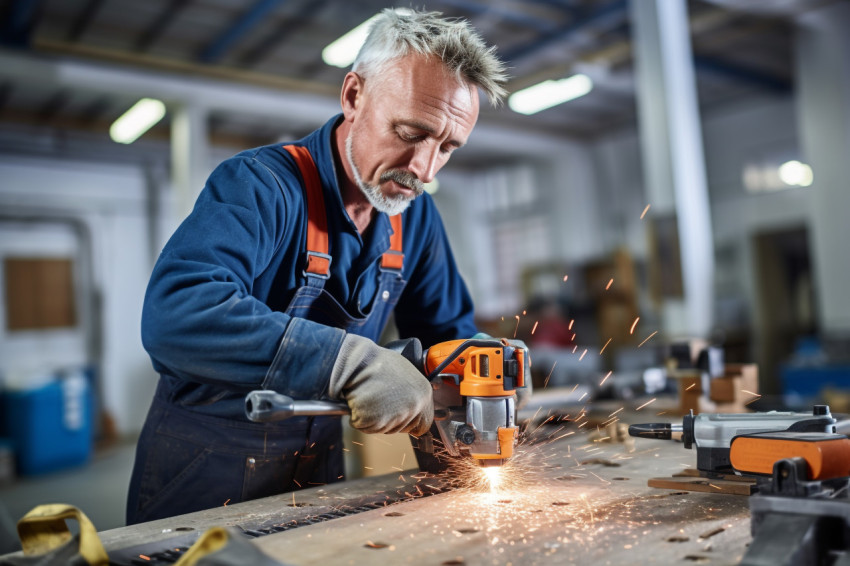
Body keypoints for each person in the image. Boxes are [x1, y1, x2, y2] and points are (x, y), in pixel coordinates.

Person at [127, 8, 512, 525]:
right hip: (203, 468)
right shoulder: (260, 186)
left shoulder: (415, 216)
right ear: (354, 96)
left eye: (447, 147)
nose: (424, 168)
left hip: (317, 471)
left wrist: (477, 406)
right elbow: (177, 313)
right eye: (410, 132)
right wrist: (348, 363)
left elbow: (450, 342)